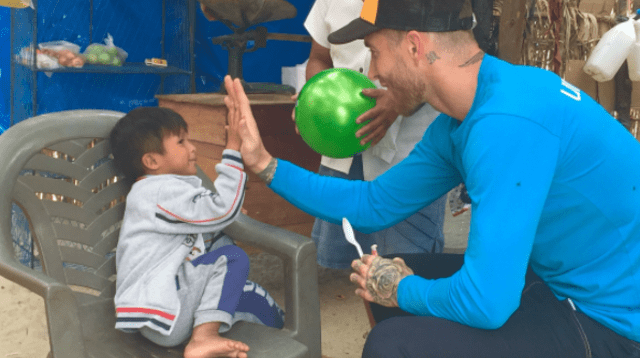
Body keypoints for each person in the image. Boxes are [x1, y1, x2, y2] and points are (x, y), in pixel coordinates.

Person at [222, 0, 640, 355]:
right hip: (563, 283)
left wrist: (402, 288)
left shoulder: (505, 123)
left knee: (393, 342)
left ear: (414, 45)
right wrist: (264, 164)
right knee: (398, 288)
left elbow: (488, 302)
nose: (375, 72)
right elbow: (372, 205)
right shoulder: (466, 116)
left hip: (612, 320)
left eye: (374, 52)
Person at [110, 107, 284, 358]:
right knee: (232, 257)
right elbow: (222, 208)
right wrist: (233, 149)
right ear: (152, 161)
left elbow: (214, 213)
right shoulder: (159, 191)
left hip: (161, 309)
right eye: (181, 142)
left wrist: (220, 214)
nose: (192, 148)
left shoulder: (156, 191)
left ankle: (283, 336)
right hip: (165, 309)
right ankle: (203, 338)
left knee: (253, 298)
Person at [301, 0, 446, 269]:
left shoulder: (437, 6)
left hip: (407, 160)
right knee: (351, 269)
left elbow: (448, 60)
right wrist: (314, 102)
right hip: (341, 159)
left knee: (406, 267)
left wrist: (398, 100)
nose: (372, 75)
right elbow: (319, 58)